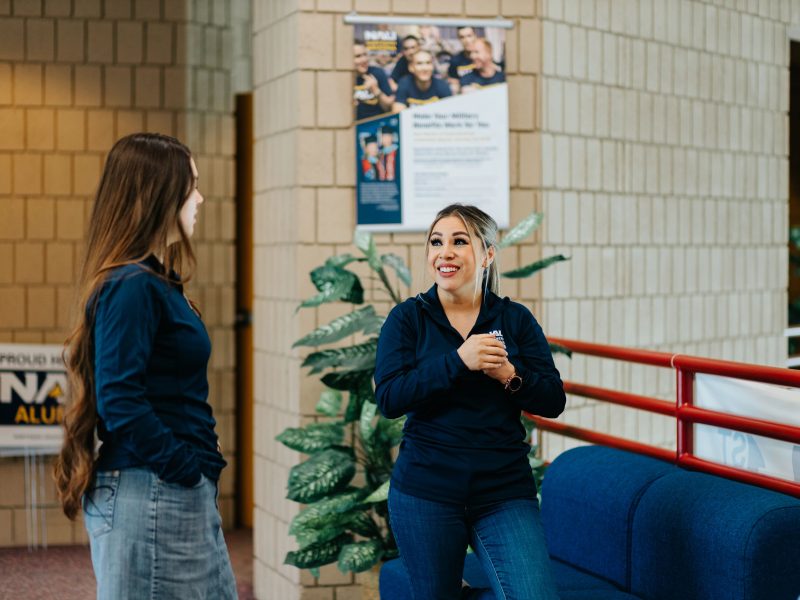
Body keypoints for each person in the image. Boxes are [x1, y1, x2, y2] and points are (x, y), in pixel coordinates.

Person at [54, 133, 237, 599]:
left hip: (171, 488)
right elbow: (121, 400)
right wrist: (183, 466)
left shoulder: (153, 280)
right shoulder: (132, 283)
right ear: (159, 194)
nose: (200, 198)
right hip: (154, 488)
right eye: (191, 186)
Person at [375, 204, 565, 600]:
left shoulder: (515, 319)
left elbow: (553, 399)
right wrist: (457, 362)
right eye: (436, 241)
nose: (444, 252)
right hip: (426, 491)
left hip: (503, 490)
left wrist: (509, 376)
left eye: (459, 241)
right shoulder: (408, 319)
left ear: (488, 253)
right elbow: (390, 398)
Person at [353, 40, 394, 121]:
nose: (364, 59)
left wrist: (376, 90)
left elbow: (389, 108)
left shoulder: (377, 73)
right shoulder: (344, 78)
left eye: (365, 55)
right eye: (358, 56)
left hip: (376, 125)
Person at [447, 26, 478, 93]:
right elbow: (453, 82)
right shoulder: (455, 60)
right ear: (459, 39)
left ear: (475, 36)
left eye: (469, 36)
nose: (467, 40)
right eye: (462, 37)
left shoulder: (482, 55)